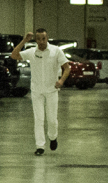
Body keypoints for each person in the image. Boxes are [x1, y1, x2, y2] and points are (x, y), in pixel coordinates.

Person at [10, 28, 70, 156]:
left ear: (47, 38)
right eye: (38, 39)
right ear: (35, 40)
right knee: (39, 119)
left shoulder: (56, 51)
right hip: (37, 90)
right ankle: (40, 146)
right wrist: (24, 41)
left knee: (52, 119)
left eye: (43, 38)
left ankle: (53, 137)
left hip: (52, 90)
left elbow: (67, 68)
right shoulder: (32, 52)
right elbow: (14, 55)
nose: (41, 41)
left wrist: (61, 81)